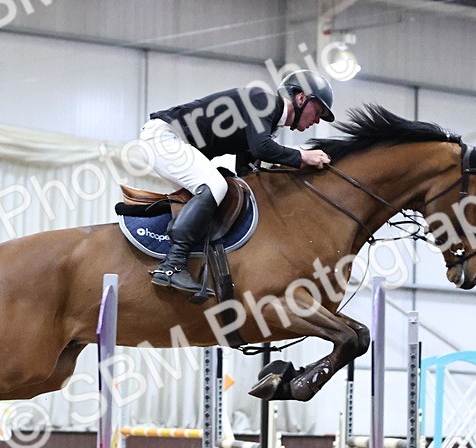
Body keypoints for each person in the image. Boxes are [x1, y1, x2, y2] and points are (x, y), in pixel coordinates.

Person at [139, 69, 336, 295]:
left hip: (174, 143)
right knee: (216, 185)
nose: (318, 120)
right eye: (318, 111)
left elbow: (247, 170)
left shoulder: (269, 124)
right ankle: (172, 265)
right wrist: (303, 156)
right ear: (301, 98)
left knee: (223, 192)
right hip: (164, 138)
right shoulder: (264, 101)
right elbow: (261, 148)